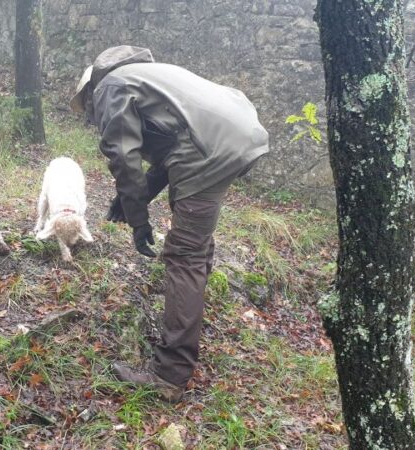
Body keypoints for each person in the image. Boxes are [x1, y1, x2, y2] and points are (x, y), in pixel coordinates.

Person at [70, 45, 269, 402]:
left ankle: (170, 374)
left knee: (183, 255)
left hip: (208, 151)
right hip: (239, 136)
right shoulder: (151, 77)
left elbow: (123, 156)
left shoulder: (111, 87)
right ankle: (186, 328)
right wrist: (137, 198)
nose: (91, 115)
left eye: (88, 109)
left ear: (90, 88)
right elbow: (170, 147)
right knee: (194, 239)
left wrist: (138, 222)